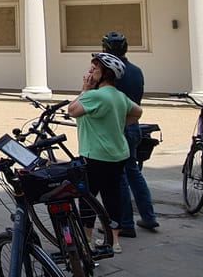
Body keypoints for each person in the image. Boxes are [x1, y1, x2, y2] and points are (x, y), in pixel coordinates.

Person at [67, 52, 142, 254]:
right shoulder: (119, 96)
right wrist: (117, 124)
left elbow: (72, 110)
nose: (90, 72)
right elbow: (137, 112)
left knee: (88, 197)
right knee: (112, 196)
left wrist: (85, 89)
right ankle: (114, 240)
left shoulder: (94, 96)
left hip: (94, 155)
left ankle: (88, 238)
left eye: (94, 68)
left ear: (105, 73)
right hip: (118, 154)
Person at [102, 31, 159, 237]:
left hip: (116, 127)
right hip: (134, 125)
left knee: (119, 177)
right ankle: (149, 216)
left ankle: (124, 223)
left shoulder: (110, 74)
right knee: (133, 171)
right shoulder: (136, 71)